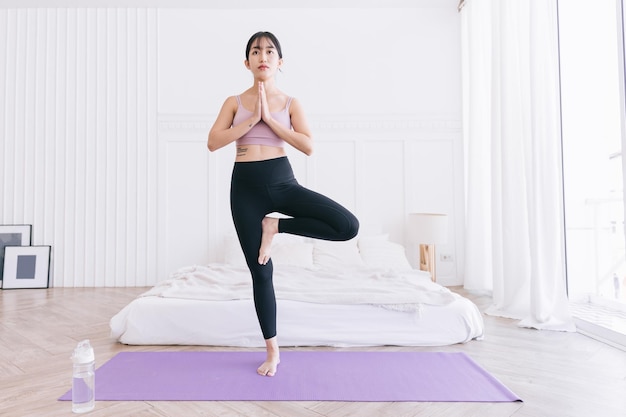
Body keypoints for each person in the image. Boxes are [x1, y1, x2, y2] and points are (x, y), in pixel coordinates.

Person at [207, 31, 359, 377]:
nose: (263, 55)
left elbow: (308, 146)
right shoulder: (234, 101)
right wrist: (252, 119)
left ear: (280, 62)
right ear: (247, 62)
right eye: (256, 51)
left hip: (282, 183)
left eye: (270, 51)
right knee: (261, 271)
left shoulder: (291, 103)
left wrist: (271, 121)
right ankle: (272, 352)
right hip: (244, 189)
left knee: (347, 226)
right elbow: (213, 142)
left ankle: (274, 225)